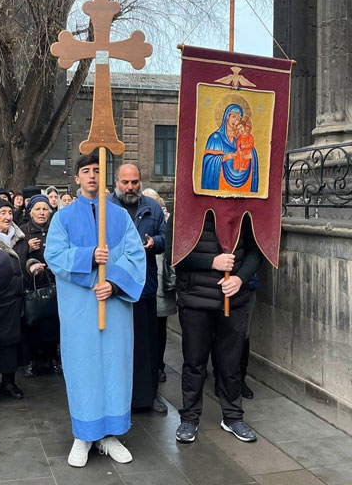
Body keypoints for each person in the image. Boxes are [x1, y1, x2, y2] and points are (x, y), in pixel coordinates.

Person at [45, 155, 146, 468]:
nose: (92, 176)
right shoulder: (63, 218)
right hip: (80, 308)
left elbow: (135, 254)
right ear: (77, 178)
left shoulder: (120, 216)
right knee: (83, 367)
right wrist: (89, 257)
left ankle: (110, 435)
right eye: (86, 171)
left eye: (98, 171)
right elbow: (54, 255)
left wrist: (113, 284)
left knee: (115, 367)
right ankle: (84, 435)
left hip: (114, 308)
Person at [165, 210, 262, 444]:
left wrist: (240, 278)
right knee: (194, 362)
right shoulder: (184, 208)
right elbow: (173, 254)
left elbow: (256, 249)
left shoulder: (244, 210)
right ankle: (189, 418)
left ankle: (233, 417)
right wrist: (212, 262)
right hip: (195, 299)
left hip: (233, 298)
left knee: (231, 363)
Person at [110, 165, 167, 414]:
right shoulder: (106, 207)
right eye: (125, 182)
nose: (130, 187)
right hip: (115, 288)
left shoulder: (152, 207)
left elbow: (167, 237)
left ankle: (149, 396)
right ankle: (118, 399)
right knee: (117, 347)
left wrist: (155, 242)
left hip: (145, 286)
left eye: (134, 182)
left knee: (146, 345)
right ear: (117, 182)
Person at [0, 197, 28, 403]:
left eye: (9, 212)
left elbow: (25, 259)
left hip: (15, 299)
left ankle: (10, 382)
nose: (8, 217)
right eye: (2, 213)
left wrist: (31, 264)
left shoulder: (20, 237)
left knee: (12, 343)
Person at [22, 194, 60, 376]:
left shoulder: (56, 228)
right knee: (32, 322)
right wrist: (27, 248)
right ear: (30, 212)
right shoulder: (23, 231)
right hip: (33, 285)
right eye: (37, 209)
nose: (42, 212)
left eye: (45, 209)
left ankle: (53, 358)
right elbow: (16, 255)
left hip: (55, 282)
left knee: (54, 322)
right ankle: (31, 360)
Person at [142, 188, 176, 384]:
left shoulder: (166, 221)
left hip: (162, 283)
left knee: (159, 329)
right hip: (146, 282)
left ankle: (159, 365)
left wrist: (155, 242)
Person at [201, 104, 258, 193]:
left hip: (242, 187)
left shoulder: (237, 140)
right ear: (227, 117)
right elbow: (208, 160)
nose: (236, 121)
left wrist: (252, 156)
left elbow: (247, 151)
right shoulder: (216, 137)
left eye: (238, 119)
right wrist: (226, 157)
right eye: (233, 117)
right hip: (220, 183)